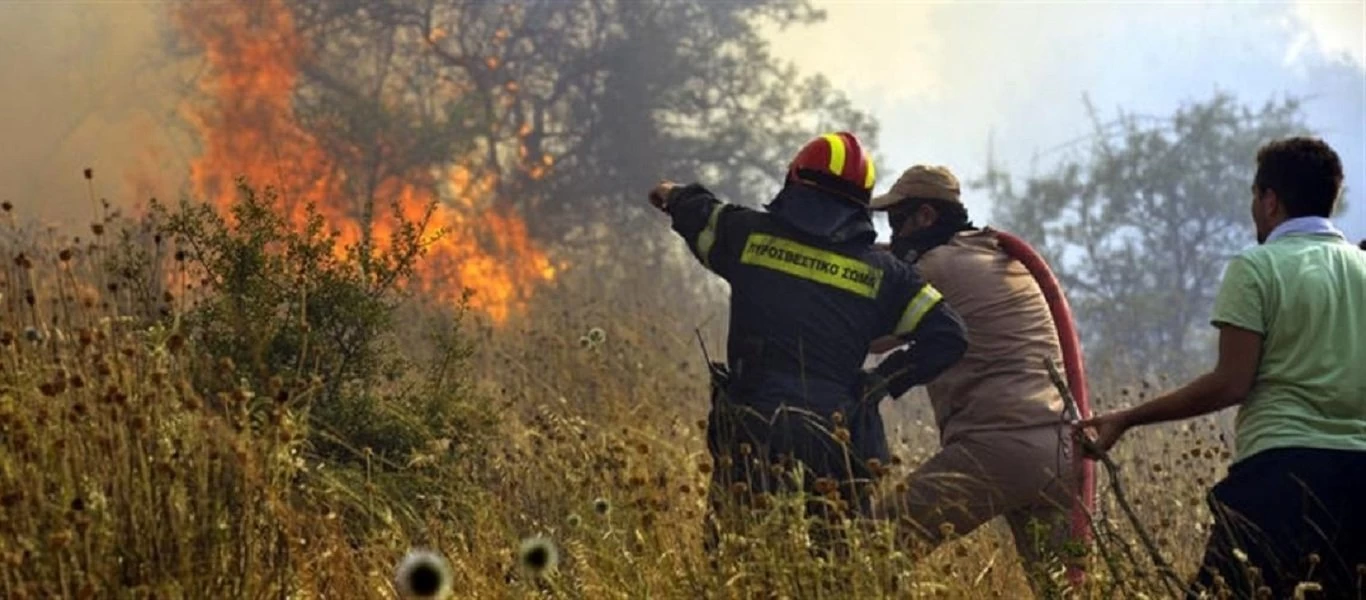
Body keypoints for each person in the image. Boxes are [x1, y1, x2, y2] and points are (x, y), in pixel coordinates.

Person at [648, 132, 968, 559]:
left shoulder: (746, 235)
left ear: (794, 181)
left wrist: (669, 193)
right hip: (835, 436)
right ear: (862, 204)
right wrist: (879, 384)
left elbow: (694, 208)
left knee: (735, 562)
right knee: (828, 571)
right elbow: (948, 335)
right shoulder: (887, 275)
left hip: (751, 431)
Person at [1081, 136, 1366, 599]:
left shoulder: (1256, 268)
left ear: (1270, 200)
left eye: (1255, 197)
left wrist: (1128, 418)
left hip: (1280, 477)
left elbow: (1230, 383)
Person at [866, 164, 1084, 596]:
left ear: (925, 217)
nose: (896, 232)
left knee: (870, 545)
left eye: (898, 221)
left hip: (998, 448)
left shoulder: (937, 266)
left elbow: (874, 339)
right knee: (1061, 591)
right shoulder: (995, 255)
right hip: (1061, 451)